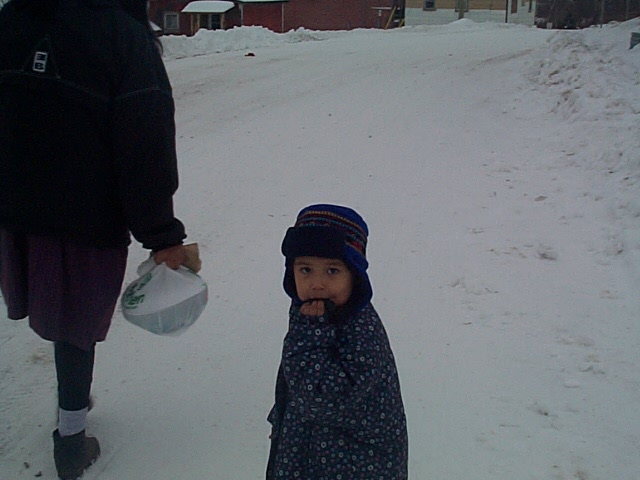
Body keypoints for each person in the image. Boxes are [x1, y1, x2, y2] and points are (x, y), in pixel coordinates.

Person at [0, 1, 193, 478]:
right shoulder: (119, 34)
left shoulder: (13, 16)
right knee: (74, 324)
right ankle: (71, 440)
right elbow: (144, 142)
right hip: (83, 215)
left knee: (57, 314)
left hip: (12, 206)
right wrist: (162, 234)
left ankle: (73, 399)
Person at [267, 204, 408, 479]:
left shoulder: (361, 332)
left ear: (354, 276)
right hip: (311, 457)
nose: (317, 283)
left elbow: (321, 398)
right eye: (306, 269)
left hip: (355, 467)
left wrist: (310, 333)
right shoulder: (317, 314)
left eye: (332, 271)